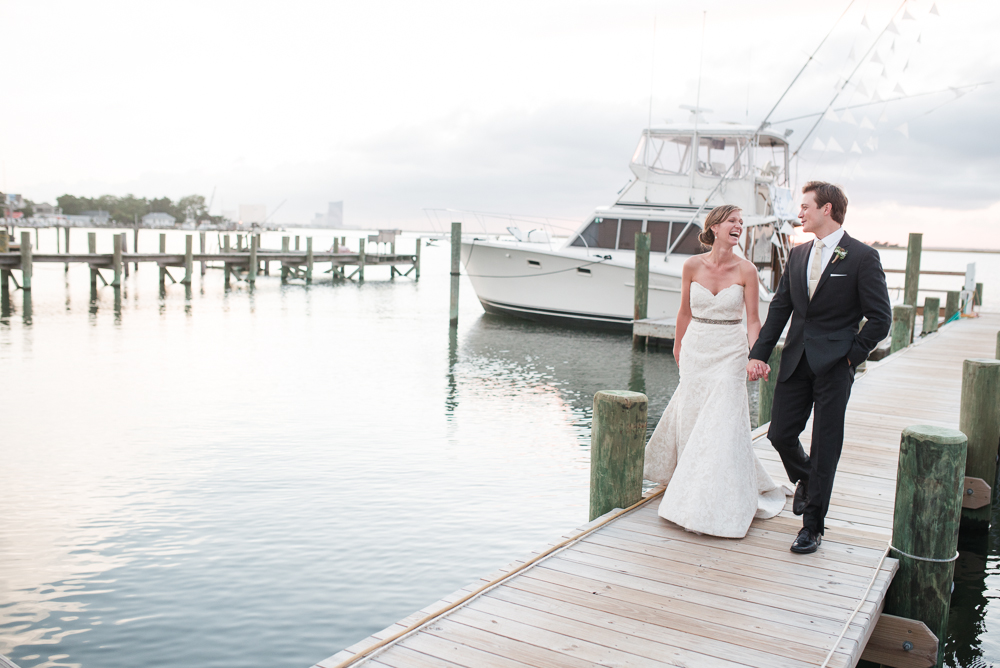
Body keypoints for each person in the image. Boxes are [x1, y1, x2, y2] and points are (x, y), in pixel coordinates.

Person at [746, 181, 891, 554]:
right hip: (795, 360)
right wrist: (759, 353)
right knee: (779, 433)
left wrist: (850, 356)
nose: (800, 213)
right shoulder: (797, 254)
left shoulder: (862, 257)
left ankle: (812, 527)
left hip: (834, 366)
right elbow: (780, 309)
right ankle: (808, 480)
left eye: (806, 206)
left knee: (826, 445)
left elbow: (880, 319)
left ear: (827, 209)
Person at [643, 204, 788, 538]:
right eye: (733, 221)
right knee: (694, 417)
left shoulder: (747, 270)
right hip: (696, 348)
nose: (739, 226)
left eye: (742, 222)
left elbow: (753, 319)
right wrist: (678, 345)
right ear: (715, 227)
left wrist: (756, 355)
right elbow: (683, 312)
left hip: (730, 351)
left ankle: (715, 496)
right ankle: (689, 480)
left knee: (721, 420)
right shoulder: (691, 265)